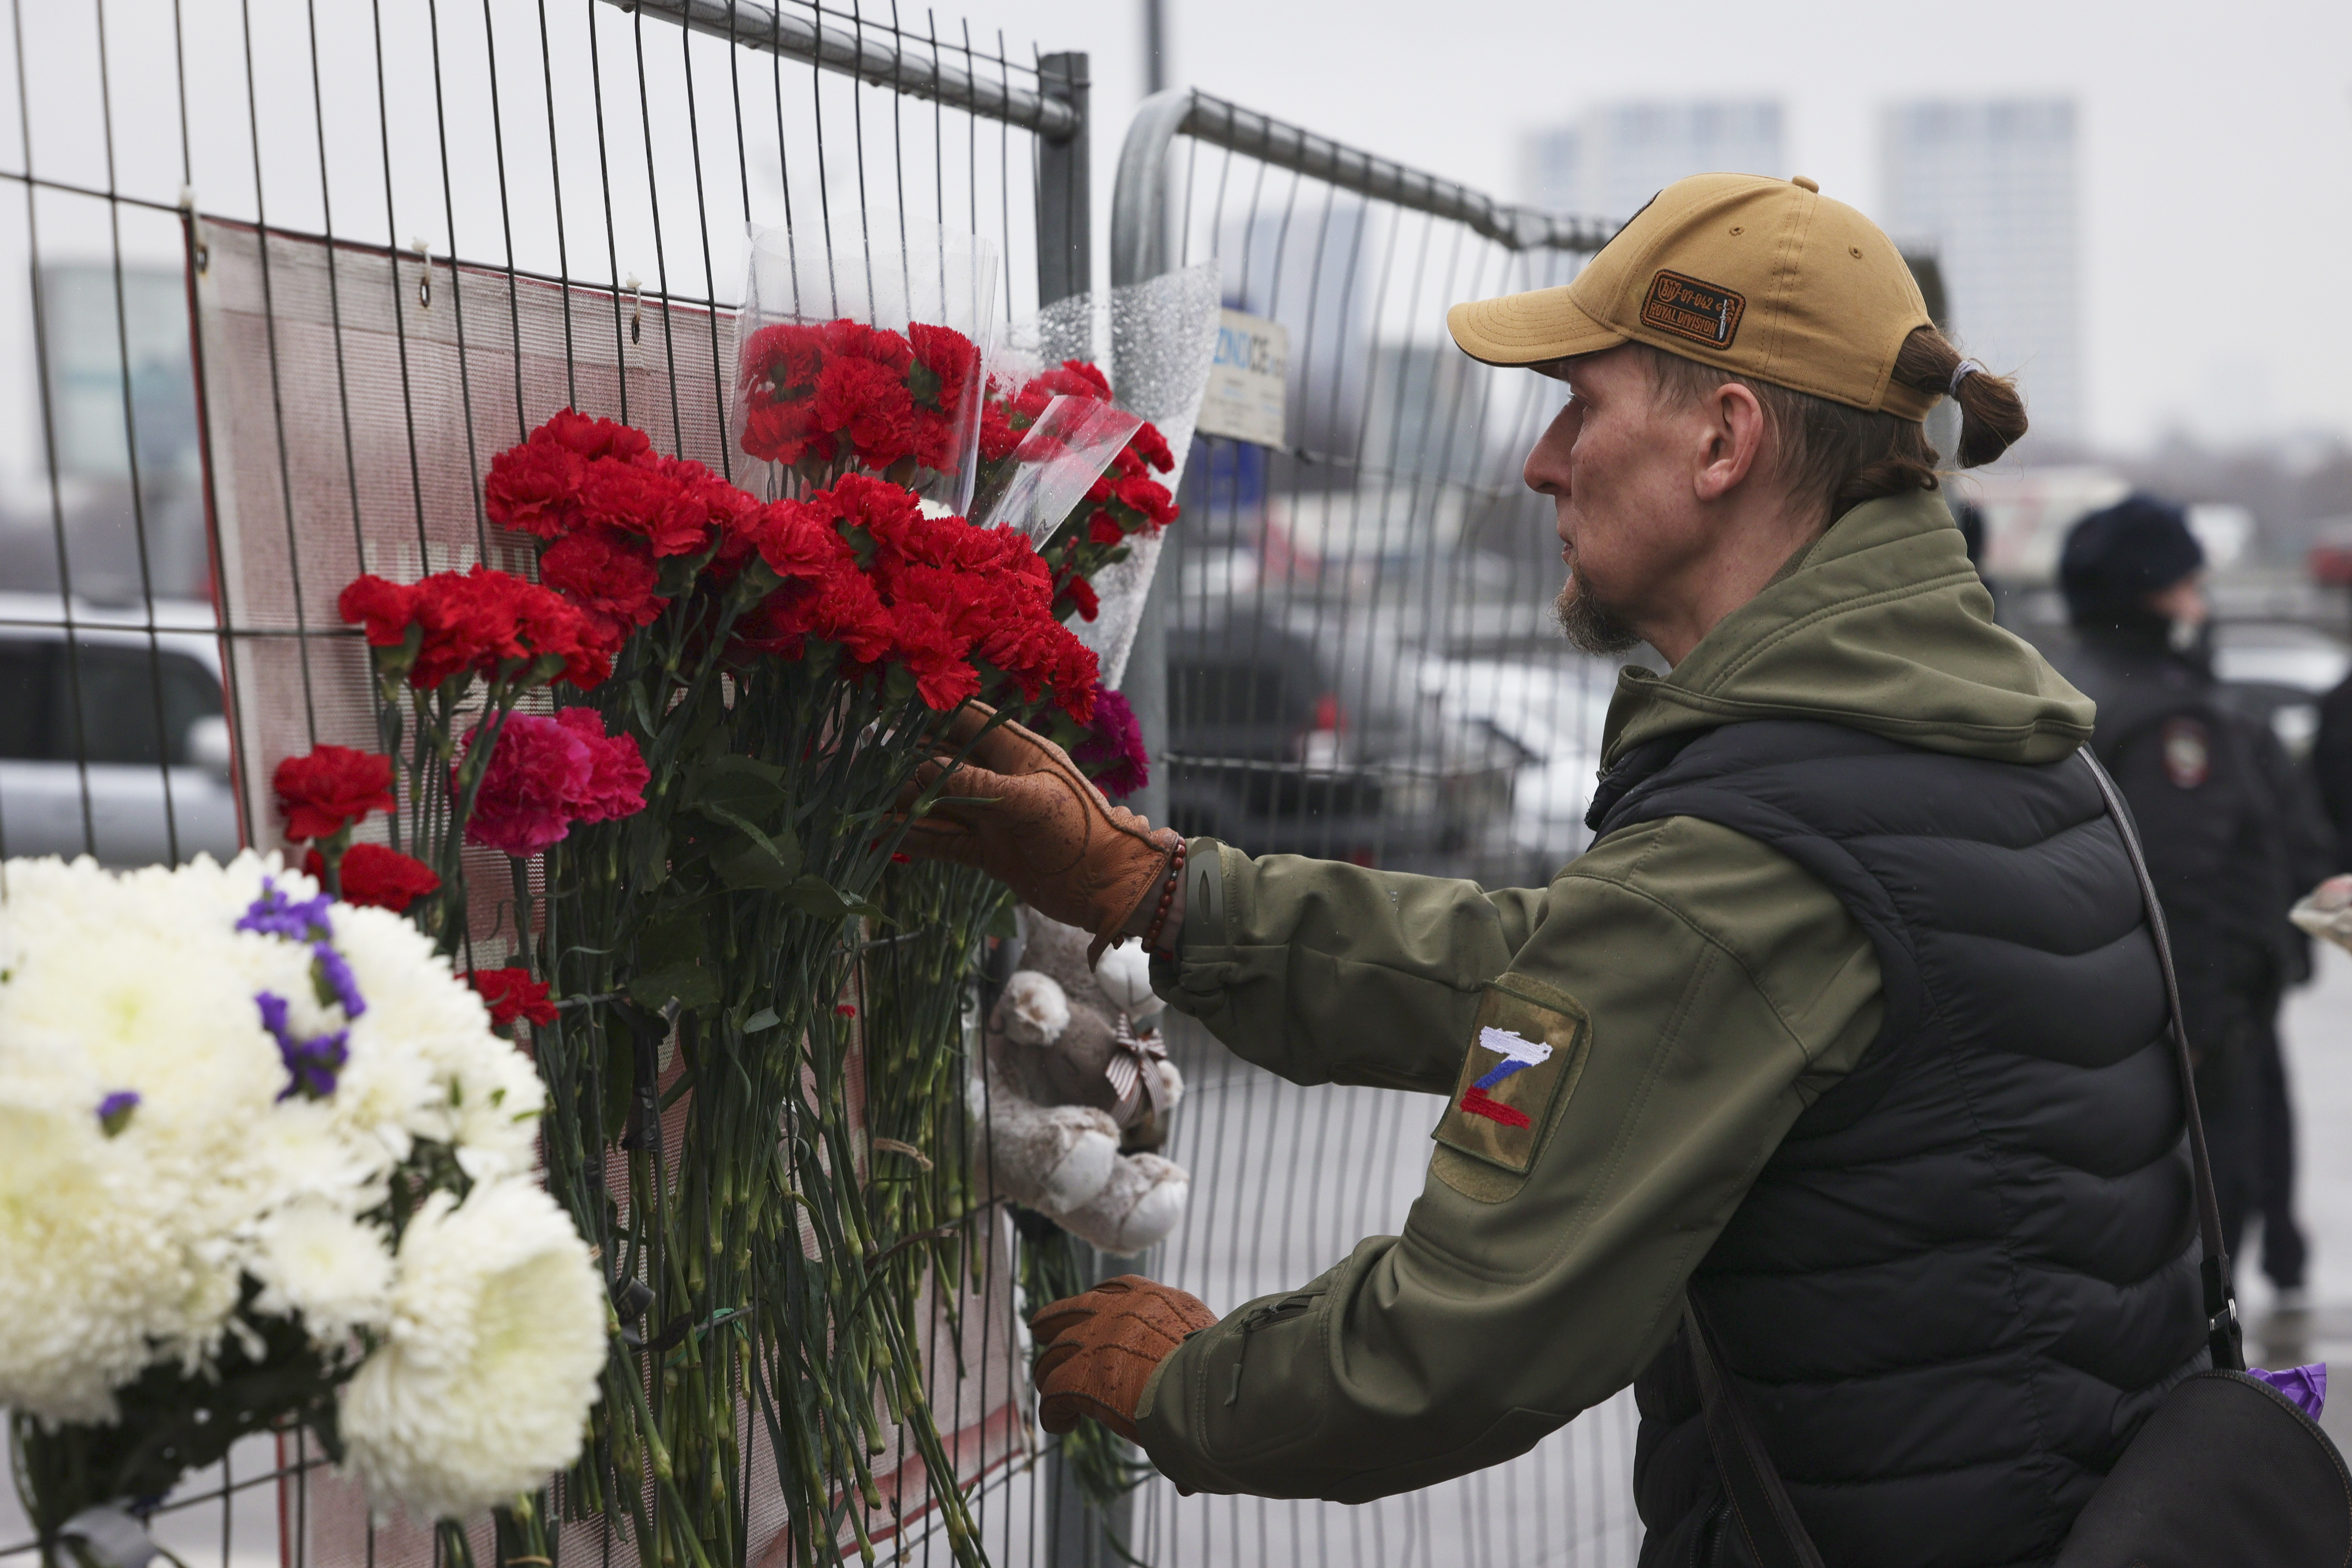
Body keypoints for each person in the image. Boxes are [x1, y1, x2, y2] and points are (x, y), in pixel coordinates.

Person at [904, 174, 2206, 1566]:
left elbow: (1468, 1332)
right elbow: (1587, 972)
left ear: (1724, 439)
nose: (1539, 460)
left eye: (1580, 403)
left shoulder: (1754, 846)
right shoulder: (1993, 747)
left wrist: (1190, 1379)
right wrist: (1161, 891)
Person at [2055, 497, 2324, 1291]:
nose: (2201, 605)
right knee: (2205, 1243)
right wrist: (2201, 1034)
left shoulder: (2073, 686)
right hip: (2197, 1044)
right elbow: (2184, 886)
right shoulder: (2171, 717)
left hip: (2119, 1032)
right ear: (2153, 596)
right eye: (2189, 586)